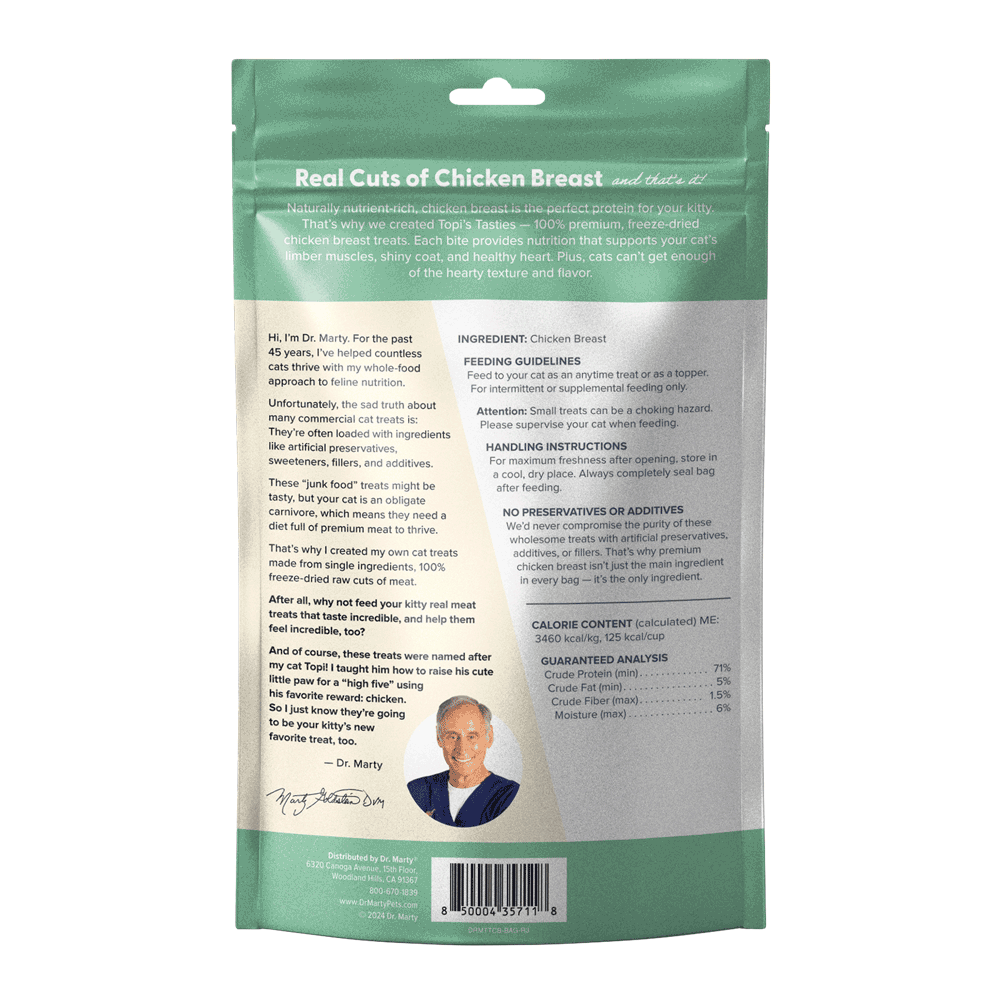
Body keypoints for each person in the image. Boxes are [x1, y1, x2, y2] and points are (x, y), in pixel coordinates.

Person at [407, 696, 519, 827]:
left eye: (472, 736)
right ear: (439, 737)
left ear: (489, 737)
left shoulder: (510, 796)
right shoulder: (418, 791)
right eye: (453, 736)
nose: (462, 749)